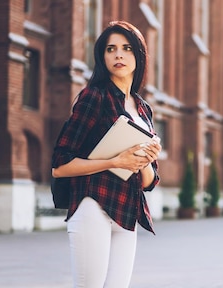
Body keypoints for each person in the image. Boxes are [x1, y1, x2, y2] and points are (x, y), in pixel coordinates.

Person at [51, 20, 162, 288]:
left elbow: (149, 181)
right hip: (93, 207)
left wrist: (146, 158)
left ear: (139, 55)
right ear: (102, 56)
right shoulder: (94, 97)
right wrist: (115, 161)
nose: (119, 55)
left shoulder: (144, 109)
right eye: (110, 49)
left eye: (126, 48)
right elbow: (59, 164)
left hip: (127, 211)